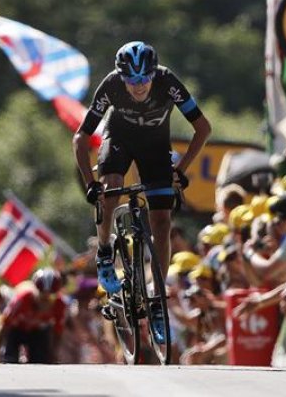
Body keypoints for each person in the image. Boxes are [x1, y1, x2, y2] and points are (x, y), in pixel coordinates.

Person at [72, 41, 211, 344]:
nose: (137, 86)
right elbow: (81, 138)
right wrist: (89, 183)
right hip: (118, 140)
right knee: (110, 189)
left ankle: (157, 299)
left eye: (144, 79)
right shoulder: (111, 85)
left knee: (162, 221)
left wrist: (181, 169)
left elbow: (203, 128)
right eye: (131, 80)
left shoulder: (168, 82)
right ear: (121, 77)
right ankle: (105, 252)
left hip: (155, 147)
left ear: (153, 74)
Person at [0, 268, 67, 364]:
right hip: (16, 331)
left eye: (49, 297)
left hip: (37, 333)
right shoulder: (22, 299)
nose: (45, 300)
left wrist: (54, 354)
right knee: (10, 357)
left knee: (42, 357)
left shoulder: (59, 304)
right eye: (42, 296)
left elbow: (58, 332)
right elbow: (3, 325)